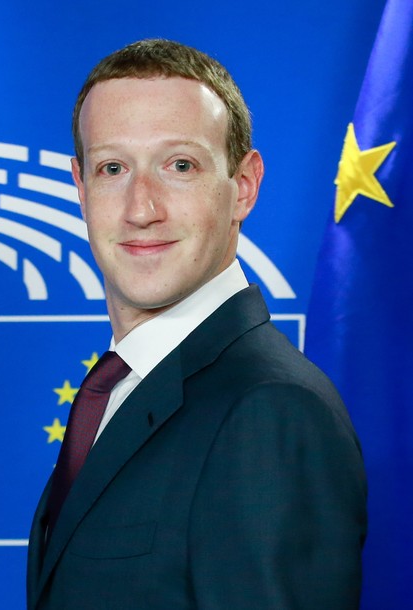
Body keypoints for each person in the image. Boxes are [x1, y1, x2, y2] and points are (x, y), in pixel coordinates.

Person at [27, 39, 367, 609]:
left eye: (179, 166)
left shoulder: (271, 410)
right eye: (113, 168)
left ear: (244, 186)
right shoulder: (120, 386)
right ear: (81, 190)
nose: (141, 208)